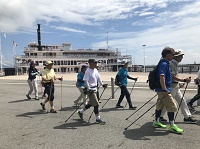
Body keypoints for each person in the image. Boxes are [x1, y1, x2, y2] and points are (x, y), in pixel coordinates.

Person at [159, 49, 197, 124]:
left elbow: (174, 76)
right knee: (168, 103)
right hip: (171, 87)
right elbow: (172, 76)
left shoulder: (174, 63)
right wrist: (183, 80)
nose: (182, 57)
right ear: (175, 56)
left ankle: (187, 117)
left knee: (182, 101)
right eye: (180, 56)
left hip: (175, 86)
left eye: (182, 56)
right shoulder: (171, 64)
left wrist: (179, 83)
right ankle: (159, 116)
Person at [153, 46, 183, 134]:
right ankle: (172, 126)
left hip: (162, 89)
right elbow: (162, 76)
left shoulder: (164, 63)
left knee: (160, 106)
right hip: (163, 90)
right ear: (167, 54)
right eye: (172, 54)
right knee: (173, 107)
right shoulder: (164, 64)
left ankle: (156, 122)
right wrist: (165, 89)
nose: (173, 56)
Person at [77, 59, 107, 124]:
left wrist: (103, 84)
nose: (96, 63)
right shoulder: (88, 71)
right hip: (90, 90)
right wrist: (89, 89)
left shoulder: (95, 70)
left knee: (91, 103)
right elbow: (86, 80)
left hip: (96, 89)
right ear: (90, 63)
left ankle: (81, 111)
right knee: (96, 104)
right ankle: (98, 119)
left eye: (97, 62)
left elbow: (99, 79)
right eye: (95, 62)